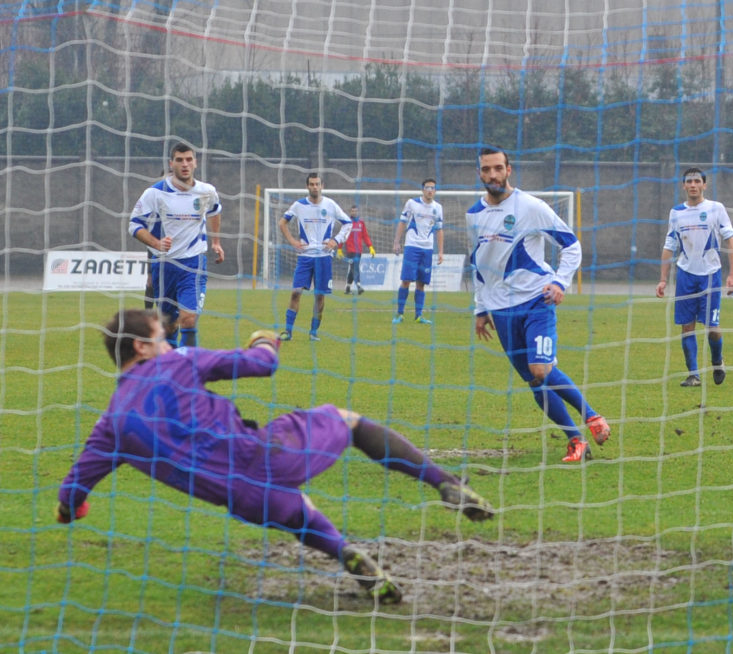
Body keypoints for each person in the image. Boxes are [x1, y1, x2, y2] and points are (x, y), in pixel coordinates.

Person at [55, 309, 495, 604]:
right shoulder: (179, 361)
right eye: (161, 339)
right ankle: (445, 483)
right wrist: (267, 340)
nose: (169, 344)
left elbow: (71, 491)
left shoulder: (110, 423)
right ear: (141, 348)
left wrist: (73, 509)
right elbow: (262, 365)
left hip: (239, 500)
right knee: (347, 421)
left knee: (299, 513)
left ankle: (350, 558)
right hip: (264, 456)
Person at [468, 147, 610, 463]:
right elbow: (479, 264)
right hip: (501, 311)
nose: (492, 175)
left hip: (536, 301)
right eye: (486, 169)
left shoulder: (531, 207)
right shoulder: (473, 214)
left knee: (541, 368)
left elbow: (571, 246)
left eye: (497, 168)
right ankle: (576, 441)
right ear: (480, 173)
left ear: (509, 170)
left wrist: (560, 282)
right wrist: (480, 309)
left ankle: (592, 416)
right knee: (534, 380)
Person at [129, 143, 224, 347]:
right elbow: (134, 224)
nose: (185, 164)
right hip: (164, 266)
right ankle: (169, 366)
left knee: (189, 319)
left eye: (189, 159)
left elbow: (215, 211)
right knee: (168, 325)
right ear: (171, 164)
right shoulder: (155, 193)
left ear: (195, 163)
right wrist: (156, 242)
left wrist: (216, 242)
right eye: (179, 160)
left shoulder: (206, 191)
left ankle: (187, 370)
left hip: (193, 263)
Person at [655, 167, 733, 387]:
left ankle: (717, 361)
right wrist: (663, 279)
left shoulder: (715, 208)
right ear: (683, 185)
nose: (693, 185)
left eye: (697, 181)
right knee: (686, 326)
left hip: (710, 276)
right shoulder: (676, 213)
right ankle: (694, 374)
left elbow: (730, 240)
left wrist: (732, 275)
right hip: (685, 276)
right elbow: (669, 246)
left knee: (713, 328)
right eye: (689, 181)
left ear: (704, 185)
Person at [278, 173, 352, 342]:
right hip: (305, 257)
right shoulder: (299, 205)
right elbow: (282, 222)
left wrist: (336, 240)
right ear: (307, 186)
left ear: (322, 186)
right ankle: (288, 332)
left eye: (317, 184)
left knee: (320, 296)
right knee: (296, 293)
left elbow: (348, 223)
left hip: (324, 257)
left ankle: (313, 332)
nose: (315, 187)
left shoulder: (330, 204)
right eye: (311, 184)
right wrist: (292, 241)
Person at [392, 179, 444, 324]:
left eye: (432, 188)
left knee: (422, 283)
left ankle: (419, 316)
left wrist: (440, 252)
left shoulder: (438, 208)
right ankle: (400, 314)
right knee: (406, 280)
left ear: (435, 191)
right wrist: (397, 241)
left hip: (427, 249)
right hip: (412, 246)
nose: (430, 190)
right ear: (422, 190)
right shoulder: (412, 203)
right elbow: (402, 222)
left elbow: (439, 230)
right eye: (427, 187)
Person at [340, 205, 375, 295]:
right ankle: (358, 285)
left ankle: (347, 288)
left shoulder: (361, 223)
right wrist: (339, 248)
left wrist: (370, 247)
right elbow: (342, 235)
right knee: (354, 267)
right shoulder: (347, 222)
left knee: (353, 268)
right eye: (352, 211)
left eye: (356, 211)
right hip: (350, 250)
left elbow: (365, 236)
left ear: (358, 212)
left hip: (359, 250)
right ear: (350, 212)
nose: (354, 212)